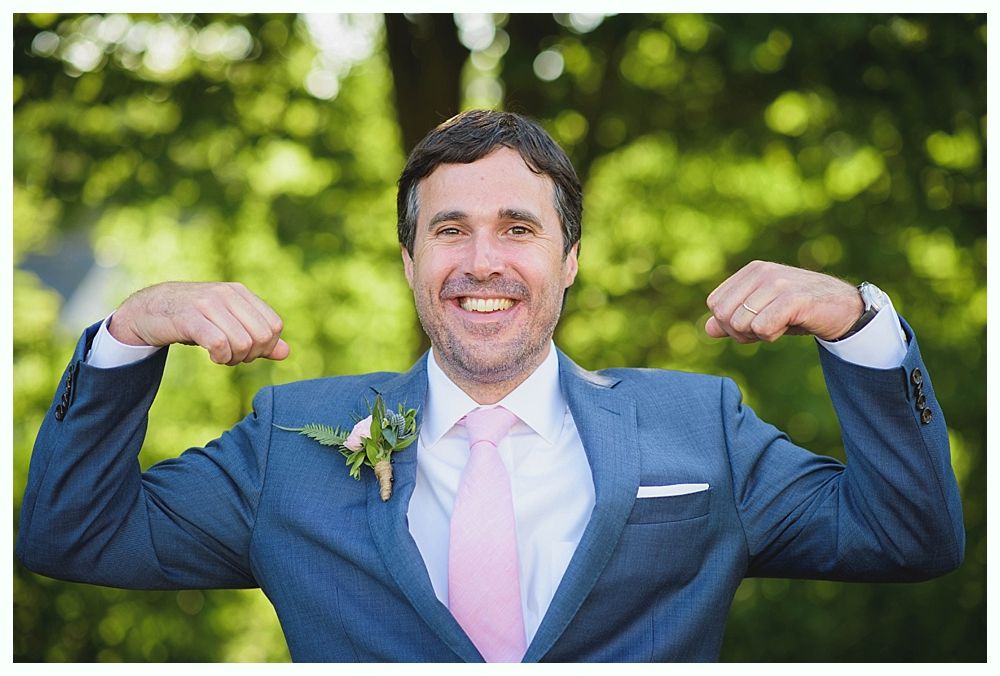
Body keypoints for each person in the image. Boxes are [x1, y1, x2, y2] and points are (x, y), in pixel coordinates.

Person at [17, 110, 964, 662]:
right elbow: (73, 535)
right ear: (408, 257)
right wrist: (125, 341)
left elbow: (909, 537)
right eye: (449, 230)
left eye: (518, 228)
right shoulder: (290, 437)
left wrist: (861, 327)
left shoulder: (700, 424)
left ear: (571, 259)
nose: (482, 262)